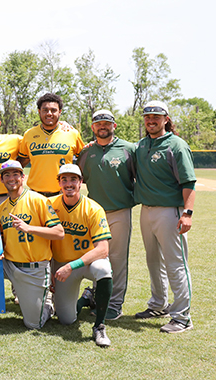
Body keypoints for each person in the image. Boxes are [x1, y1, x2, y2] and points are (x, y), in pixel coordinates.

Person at [134, 101, 195, 333]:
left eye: (156, 117)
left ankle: (182, 317)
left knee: (176, 264)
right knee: (153, 261)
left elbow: (189, 182)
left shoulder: (176, 145)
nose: (151, 121)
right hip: (146, 210)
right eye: (148, 117)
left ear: (166, 119)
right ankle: (158, 305)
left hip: (171, 211)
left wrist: (187, 213)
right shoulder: (141, 145)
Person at [76, 110, 136, 320]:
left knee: (117, 259)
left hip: (120, 211)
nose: (102, 126)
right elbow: (76, 178)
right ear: (93, 127)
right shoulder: (86, 152)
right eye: (98, 123)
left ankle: (115, 303)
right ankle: (95, 296)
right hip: (93, 214)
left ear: (114, 125)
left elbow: (140, 176)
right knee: (96, 257)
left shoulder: (128, 149)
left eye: (106, 123)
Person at [50, 164, 113, 347]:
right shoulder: (50, 205)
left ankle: (99, 326)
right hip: (62, 264)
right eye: (64, 180)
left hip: (86, 262)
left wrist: (72, 266)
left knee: (103, 269)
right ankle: (86, 298)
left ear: (80, 182)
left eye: (73, 179)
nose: (69, 184)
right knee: (66, 319)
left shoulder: (93, 208)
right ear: (59, 183)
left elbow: (103, 249)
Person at [0, 160, 64, 329]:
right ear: (1, 180)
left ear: (23, 177)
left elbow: (59, 233)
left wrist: (29, 228)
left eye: (15, 174)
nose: (11, 178)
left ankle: (47, 302)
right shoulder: (2, 208)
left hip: (33, 268)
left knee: (33, 324)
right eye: (7, 175)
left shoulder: (38, 200)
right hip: (9, 265)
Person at [17, 93, 84, 196]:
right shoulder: (29, 134)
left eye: (53, 110)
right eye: (45, 110)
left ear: (60, 112)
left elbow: (84, 158)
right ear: (39, 112)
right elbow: (22, 160)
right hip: (35, 195)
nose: (49, 113)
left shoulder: (72, 133)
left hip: (63, 195)